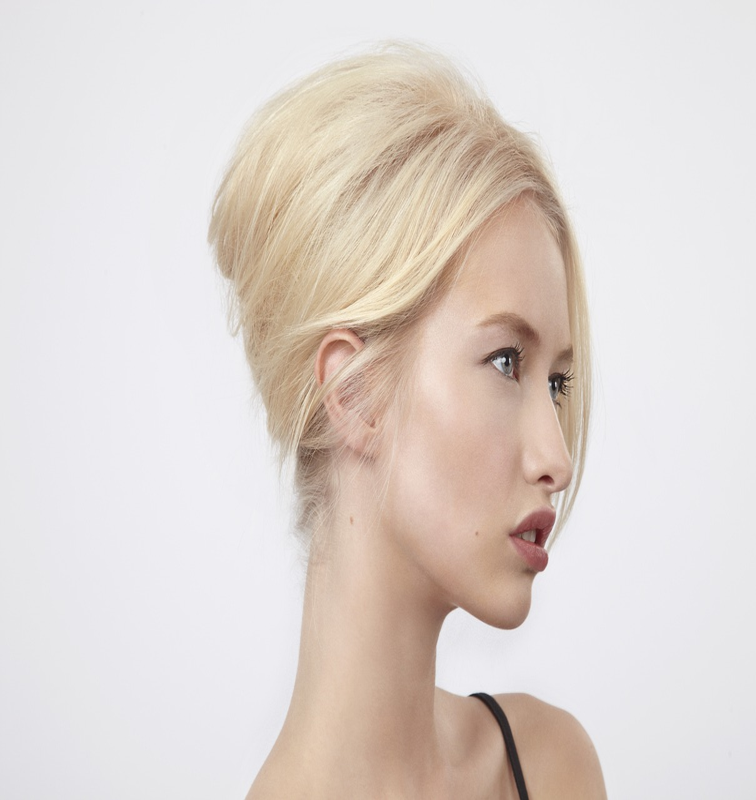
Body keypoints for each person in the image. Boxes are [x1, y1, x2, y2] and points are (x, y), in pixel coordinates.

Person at [209, 43, 606, 800]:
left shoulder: (552, 768)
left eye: (557, 382)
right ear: (354, 393)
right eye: (505, 362)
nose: (557, 457)